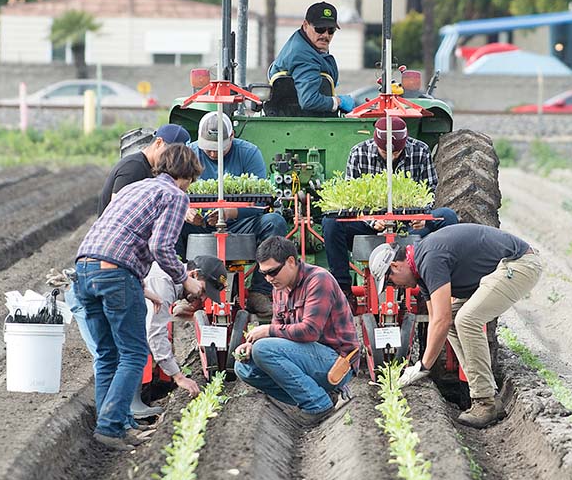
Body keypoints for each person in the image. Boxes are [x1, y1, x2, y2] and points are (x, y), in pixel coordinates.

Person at [75, 144, 206, 450]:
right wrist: (185, 279)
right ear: (187, 176)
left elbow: (115, 234)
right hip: (116, 273)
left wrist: (141, 285)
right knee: (134, 354)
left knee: (108, 354)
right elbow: (161, 246)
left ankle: (113, 425)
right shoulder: (175, 195)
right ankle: (110, 426)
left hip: (85, 269)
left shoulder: (139, 187)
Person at [379, 223, 543, 428]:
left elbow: (441, 319)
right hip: (502, 269)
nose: (394, 287)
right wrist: (422, 364)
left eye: (390, 281)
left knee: (466, 320)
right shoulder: (421, 273)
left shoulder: (429, 258)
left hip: (518, 264)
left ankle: (484, 402)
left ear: (396, 266)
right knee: (455, 321)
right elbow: (437, 321)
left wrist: (422, 367)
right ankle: (487, 393)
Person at [322, 115, 458, 293]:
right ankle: (343, 291)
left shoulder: (421, 150)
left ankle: (442, 288)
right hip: (370, 225)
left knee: (448, 216)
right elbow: (351, 199)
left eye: (396, 152)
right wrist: (371, 219)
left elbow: (430, 189)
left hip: (410, 225)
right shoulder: (358, 153)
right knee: (331, 222)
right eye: (386, 152)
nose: (391, 156)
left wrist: (422, 216)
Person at [233, 235, 359, 426]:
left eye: (273, 272)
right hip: (306, 358)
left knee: (264, 349)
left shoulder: (319, 279)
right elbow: (278, 328)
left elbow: (310, 331)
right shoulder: (279, 288)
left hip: (335, 361)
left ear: (291, 261)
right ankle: (319, 394)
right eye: (264, 274)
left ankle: (318, 404)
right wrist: (252, 344)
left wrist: (266, 332)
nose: (268, 279)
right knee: (243, 367)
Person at [184, 112, 290, 316]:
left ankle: (260, 292)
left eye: (219, 148)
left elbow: (261, 200)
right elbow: (172, 192)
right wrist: (186, 212)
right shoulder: (189, 154)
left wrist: (232, 212)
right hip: (200, 224)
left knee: (274, 222)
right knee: (172, 223)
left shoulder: (249, 153)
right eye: (209, 148)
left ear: (231, 136)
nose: (213, 154)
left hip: (239, 224)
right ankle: (186, 289)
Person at [144, 254, 230, 400]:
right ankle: (131, 405)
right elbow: (154, 333)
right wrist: (178, 377)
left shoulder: (169, 279)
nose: (202, 298)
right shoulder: (163, 283)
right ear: (194, 274)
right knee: (134, 351)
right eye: (203, 291)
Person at [267, 2, 354, 116]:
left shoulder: (302, 42)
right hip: (303, 121)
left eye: (331, 30)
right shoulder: (304, 56)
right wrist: (338, 101)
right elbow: (309, 100)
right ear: (305, 25)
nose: (326, 35)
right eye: (320, 29)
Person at [98, 123, 193, 215]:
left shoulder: (154, 169)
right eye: (173, 154)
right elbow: (117, 210)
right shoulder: (134, 168)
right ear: (158, 143)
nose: (174, 161)